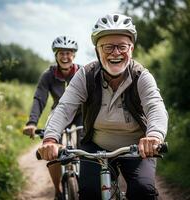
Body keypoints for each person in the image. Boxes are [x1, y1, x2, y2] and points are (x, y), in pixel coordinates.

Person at [38, 13, 168, 200]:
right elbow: (65, 107)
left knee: (143, 191)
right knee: (90, 193)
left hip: (138, 148)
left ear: (131, 49)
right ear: (97, 50)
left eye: (122, 46)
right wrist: (50, 139)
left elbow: (155, 106)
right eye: (108, 47)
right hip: (95, 147)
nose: (115, 52)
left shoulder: (141, 76)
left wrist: (154, 136)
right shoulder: (86, 75)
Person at [22, 35, 83, 200]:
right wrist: (32, 122)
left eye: (68, 53)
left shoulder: (82, 72)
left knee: (86, 146)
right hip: (58, 114)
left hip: (81, 114)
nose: (65, 57)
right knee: (53, 150)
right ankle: (58, 190)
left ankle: (87, 182)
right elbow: (39, 98)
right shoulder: (48, 75)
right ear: (56, 55)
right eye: (61, 53)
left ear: (74, 55)